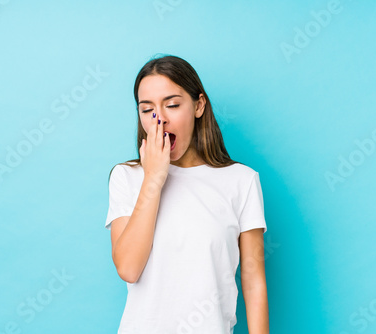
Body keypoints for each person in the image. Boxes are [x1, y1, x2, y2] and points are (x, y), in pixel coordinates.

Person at [105, 54, 269, 333]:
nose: (160, 119)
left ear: (198, 105)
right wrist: (153, 179)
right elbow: (129, 269)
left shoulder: (242, 181)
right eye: (147, 110)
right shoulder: (127, 177)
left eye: (172, 105)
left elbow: (253, 282)